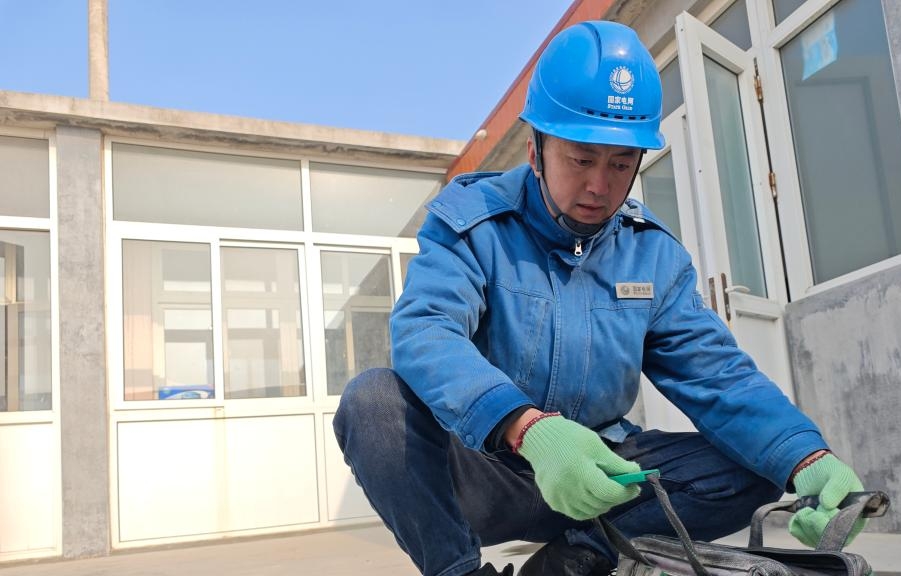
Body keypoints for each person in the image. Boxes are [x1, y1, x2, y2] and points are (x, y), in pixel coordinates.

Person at [334, 20, 866, 576]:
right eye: (582, 158)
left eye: (620, 163)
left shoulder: (652, 255)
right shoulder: (472, 224)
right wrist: (526, 427)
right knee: (373, 404)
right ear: (537, 149)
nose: (600, 186)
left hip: (604, 473)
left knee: (758, 462)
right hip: (490, 466)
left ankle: (580, 555)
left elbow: (718, 376)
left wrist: (806, 457)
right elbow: (426, 332)